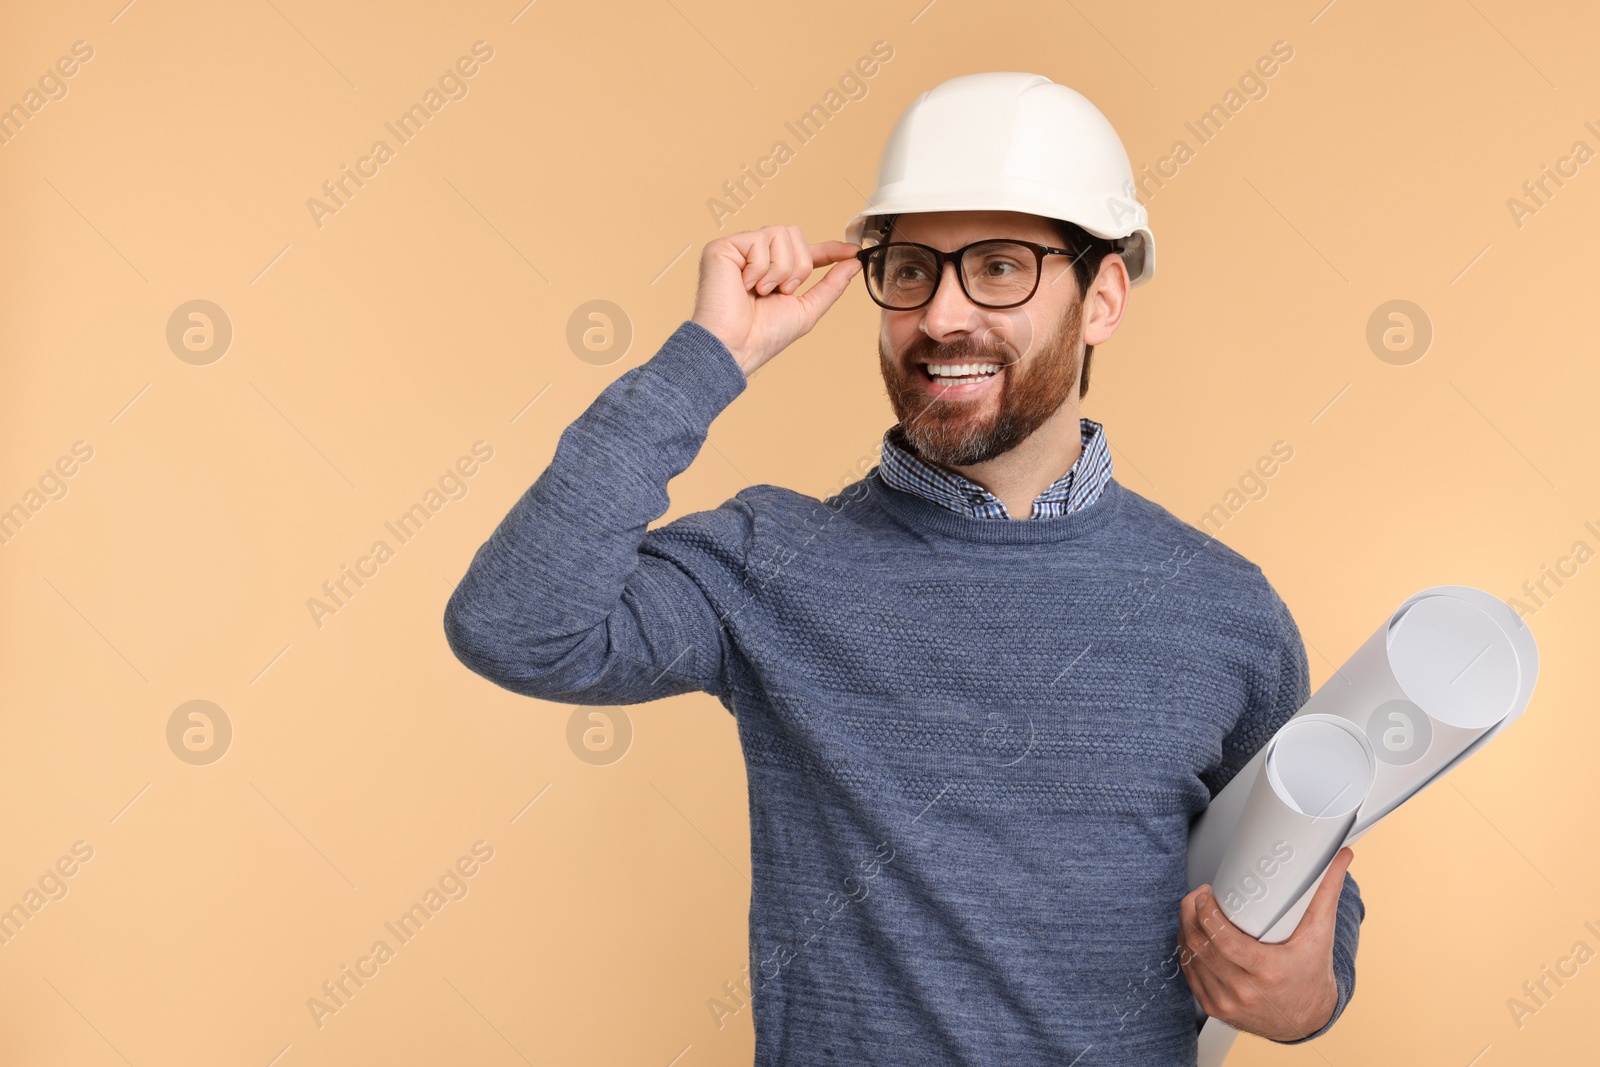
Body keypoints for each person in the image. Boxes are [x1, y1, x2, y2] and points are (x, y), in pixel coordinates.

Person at [443, 71, 1363, 1065]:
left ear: (1102, 298)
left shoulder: (1224, 610)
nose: (940, 315)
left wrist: (1306, 990)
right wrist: (709, 355)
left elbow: (1304, 872)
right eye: (912, 267)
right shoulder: (770, 562)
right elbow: (515, 623)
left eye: (1001, 267)